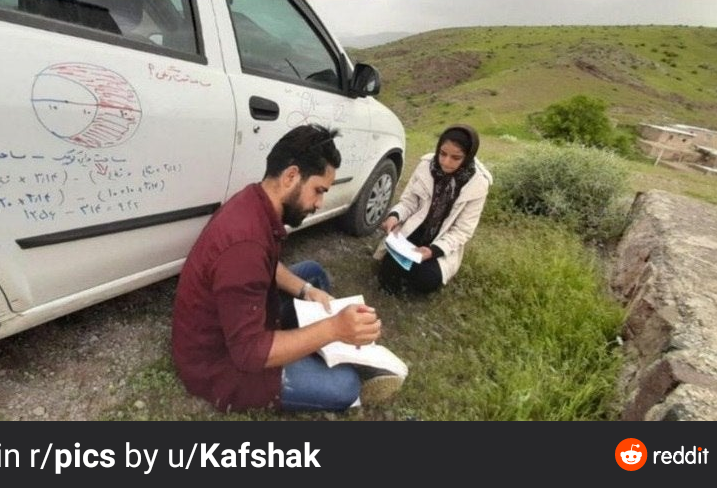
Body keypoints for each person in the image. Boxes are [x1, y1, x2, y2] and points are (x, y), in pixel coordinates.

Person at [171, 124, 404, 413]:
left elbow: (266, 265)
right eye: (318, 191)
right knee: (345, 386)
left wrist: (307, 290)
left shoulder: (254, 200)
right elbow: (248, 354)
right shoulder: (244, 246)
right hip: (218, 364)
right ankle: (321, 352)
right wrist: (333, 329)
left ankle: (311, 342)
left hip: (237, 317)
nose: (319, 203)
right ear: (291, 176)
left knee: (313, 274)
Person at [375, 124, 491, 295]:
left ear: (468, 156)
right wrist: (395, 216)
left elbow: (462, 231)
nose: (446, 162)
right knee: (388, 269)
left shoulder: (478, 185)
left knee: (427, 279)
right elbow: (409, 201)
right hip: (415, 229)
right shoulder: (426, 166)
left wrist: (432, 251)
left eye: (455, 157)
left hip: (441, 241)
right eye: (442, 154)